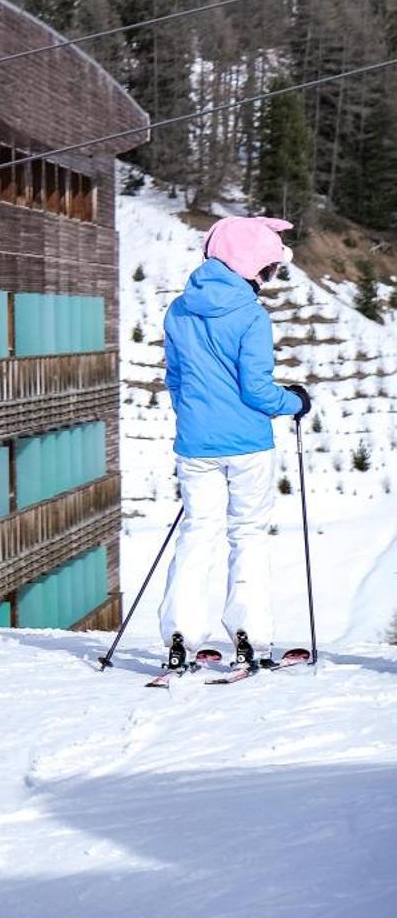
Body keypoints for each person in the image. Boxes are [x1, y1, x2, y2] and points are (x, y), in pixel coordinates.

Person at [156, 216, 309, 673]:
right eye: (269, 269)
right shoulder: (250, 316)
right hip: (247, 444)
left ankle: (180, 637)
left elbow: (176, 380)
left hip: (196, 444)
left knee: (198, 533)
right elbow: (258, 392)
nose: (269, 278)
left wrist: (197, 420)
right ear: (250, 266)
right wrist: (296, 401)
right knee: (247, 535)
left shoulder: (179, 311)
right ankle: (250, 637)